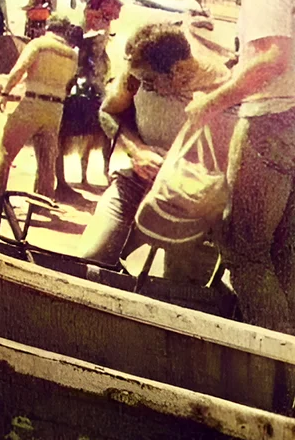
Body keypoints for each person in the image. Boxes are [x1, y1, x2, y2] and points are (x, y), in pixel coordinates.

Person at [186, 0, 295, 341]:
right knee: (285, 252)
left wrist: (211, 100)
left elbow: (272, 60)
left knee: (245, 249)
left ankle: (274, 368)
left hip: (273, 120)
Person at [79, 23, 230, 279]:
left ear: (178, 72)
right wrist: (137, 150)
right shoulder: (136, 76)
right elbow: (108, 112)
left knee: (177, 292)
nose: (142, 86)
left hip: (189, 205)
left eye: (149, 81)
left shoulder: (221, 89)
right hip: (136, 184)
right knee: (89, 262)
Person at [0, 16, 79, 206]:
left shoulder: (39, 44)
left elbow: (19, 70)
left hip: (33, 102)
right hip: (56, 108)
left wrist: (5, 92)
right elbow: (69, 82)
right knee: (47, 160)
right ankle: (42, 202)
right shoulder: (72, 55)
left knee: (5, 151)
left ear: (48, 28)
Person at [78, 0, 121, 84]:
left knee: (99, 48)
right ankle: (85, 77)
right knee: (84, 46)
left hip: (102, 17)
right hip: (89, 14)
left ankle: (99, 79)